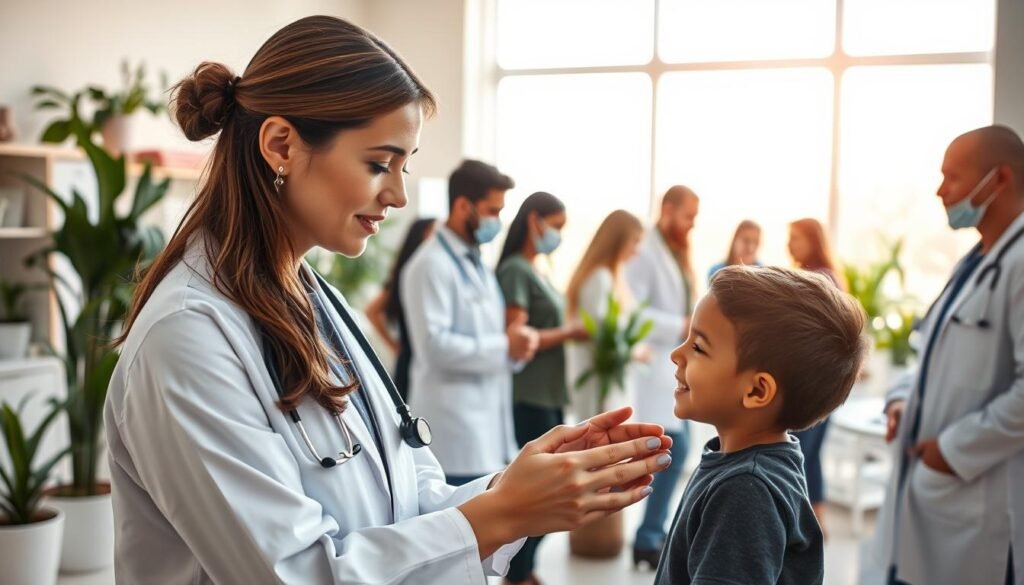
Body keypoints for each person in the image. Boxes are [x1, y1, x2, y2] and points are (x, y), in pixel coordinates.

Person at [104, 16, 674, 585]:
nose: (399, 195)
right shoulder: (186, 336)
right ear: (280, 145)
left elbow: (406, 491)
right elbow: (296, 574)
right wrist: (503, 514)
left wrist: (516, 486)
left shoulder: (313, 297)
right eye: (379, 164)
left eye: (405, 165)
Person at [873, 125, 1024, 585]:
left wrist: (951, 452)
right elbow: (932, 353)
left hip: (976, 493)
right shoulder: (978, 260)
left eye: (952, 178)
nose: (941, 191)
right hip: (934, 494)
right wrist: (902, 398)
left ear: (998, 180)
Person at [655, 265, 868, 585]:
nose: (676, 354)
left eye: (698, 347)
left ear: (756, 391)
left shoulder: (744, 490)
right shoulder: (749, 465)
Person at [401, 159, 536, 486]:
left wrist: (515, 348)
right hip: (454, 435)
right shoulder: (429, 265)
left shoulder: (477, 263)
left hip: (486, 430)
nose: (498, 221)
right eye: (492, 211)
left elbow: (491, 340)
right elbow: (434, 348)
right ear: (463, 206)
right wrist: (507, 345)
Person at [496, 191, 589, 585]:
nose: (559, 236)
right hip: (529, 396)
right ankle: (517, 573)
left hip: (548, 394)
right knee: (546, 491)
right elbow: (517, 336)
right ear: (534, 221)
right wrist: (570, 332)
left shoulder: (539, 270)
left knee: (556, 489)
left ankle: (524, 571)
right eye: (556, 226)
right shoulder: (516, 270)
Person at [624, 185, 699, 569]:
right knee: (674, 448)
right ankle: (649, 535)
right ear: (667, 209)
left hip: (670, 365)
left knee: (675, 448)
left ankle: (651, 534)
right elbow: (631, 312)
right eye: (688, 216)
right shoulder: (646, 251)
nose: (691, 225)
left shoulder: (674, 252)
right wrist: (681, 324)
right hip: (653, 364)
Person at [786, 216, 845, 530]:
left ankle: (802, 527)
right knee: (811, 455)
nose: (789, 244)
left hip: (810, 385)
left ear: (813, 241)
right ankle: (817, 523)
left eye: (795, 237)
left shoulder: (818, 280)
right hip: (825, 386)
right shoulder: (827, 277)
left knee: (798, 455)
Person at [566, 210, 647, 421]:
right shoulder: (599, 278)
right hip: (598, 386)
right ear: (617, 241)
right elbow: (600, 336)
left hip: (606, 384)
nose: (637, 250)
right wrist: (634, 352)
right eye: (635, 241)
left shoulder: (611, 276)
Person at [365, 217, 436, 401]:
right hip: (410, 358)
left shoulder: (434, 272)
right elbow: (371, 311)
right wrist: (393, 345)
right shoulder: (407, 273)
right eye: (433, 232)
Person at [707, 219, 762, 283]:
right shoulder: (716, 272)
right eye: (746, 241)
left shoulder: (764, 274)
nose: (750, 248)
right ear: (734, 241)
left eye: (756, 242)